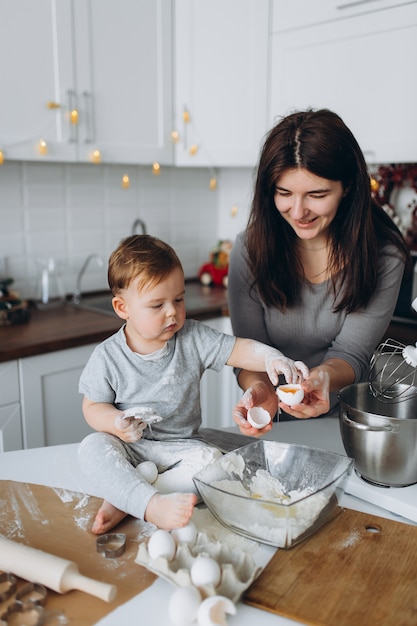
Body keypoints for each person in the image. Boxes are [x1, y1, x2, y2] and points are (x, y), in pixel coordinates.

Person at [78, 234, 308, 534]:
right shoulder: (108, 356)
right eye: (157, 305)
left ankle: (130, 497)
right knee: (92, 447)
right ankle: (148, 503)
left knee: (213, 463)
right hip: (129, 446)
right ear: (122, 308)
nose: (172, 312)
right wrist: (115, 422)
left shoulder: (193, 337)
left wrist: (272, 359)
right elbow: (92, 407)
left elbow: (239, 350)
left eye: (178, 299)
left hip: (183, 449)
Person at [228, 108, 411, 436]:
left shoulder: (384, 256)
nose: (298, 212)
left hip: (349, 420)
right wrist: (263, 392)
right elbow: (249, 350)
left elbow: (351, 354)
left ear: (349, 188)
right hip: (272, 419)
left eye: (317, 195)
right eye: (284, 194)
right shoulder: (249, 249)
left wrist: (322, 379)